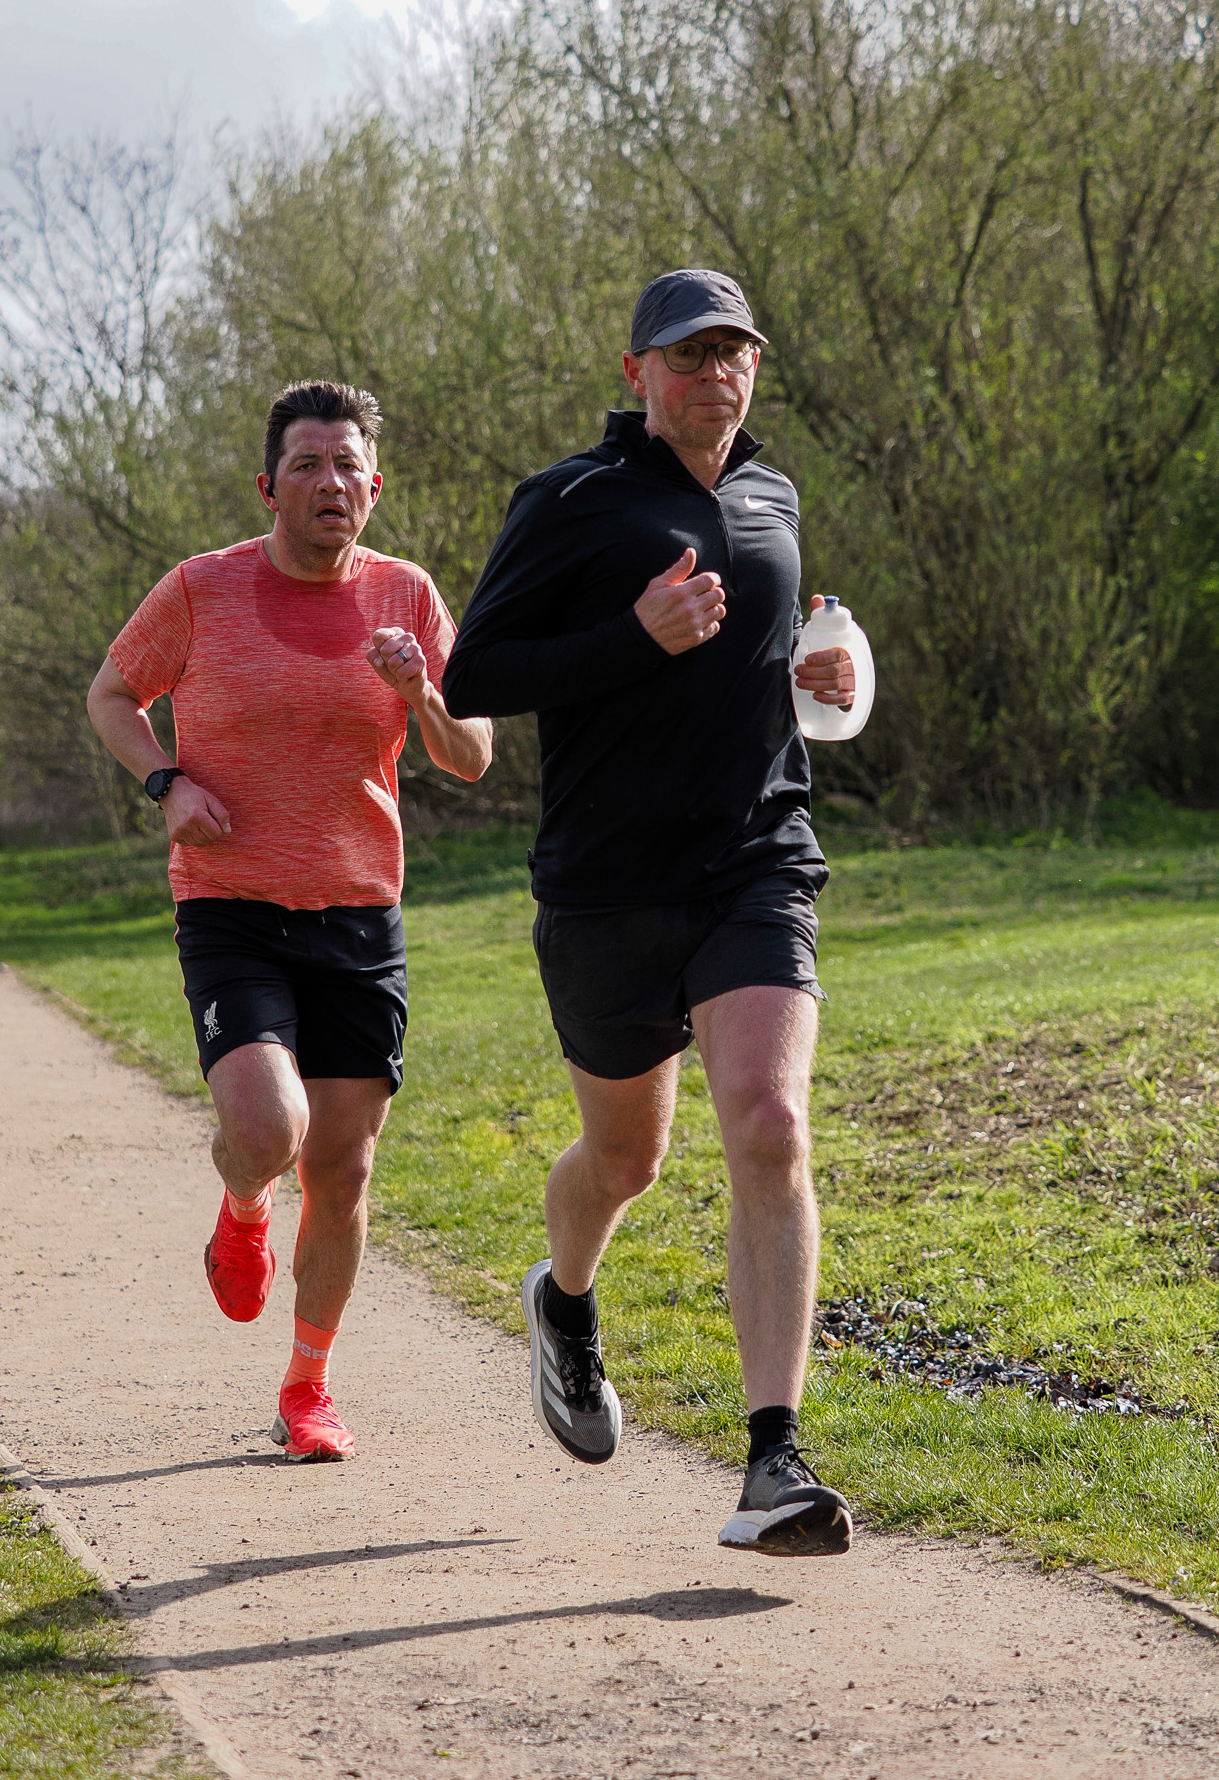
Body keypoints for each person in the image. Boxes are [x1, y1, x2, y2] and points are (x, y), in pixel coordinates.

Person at [442, 269, 857, 1556]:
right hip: (607, 884)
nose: (712, 374)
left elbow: (774, 656)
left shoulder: (772, 493)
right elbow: (478, 674)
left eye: (733, 353)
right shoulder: (568, 501)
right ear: (636, 374)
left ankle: (775, 1458)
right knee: (626, 1158)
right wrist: (633, 632)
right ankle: (563, 1298)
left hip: (754, 863)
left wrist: (830, 669)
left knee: (773, 1122)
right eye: (686, 355)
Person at [86, 379, 492, 1463]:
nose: (329, 481)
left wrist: (421, 696)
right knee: (271, 1129)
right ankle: (242, 1201)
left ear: (375, 482)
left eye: (347, 463)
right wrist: (166, 781)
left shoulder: (408, 596)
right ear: (270, 484)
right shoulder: (201, 589)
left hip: (361, 911)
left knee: (347, 1170)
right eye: (306, 464)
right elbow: (111, 696)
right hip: (233, 904)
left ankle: (307, 1386)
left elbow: (475, 753)